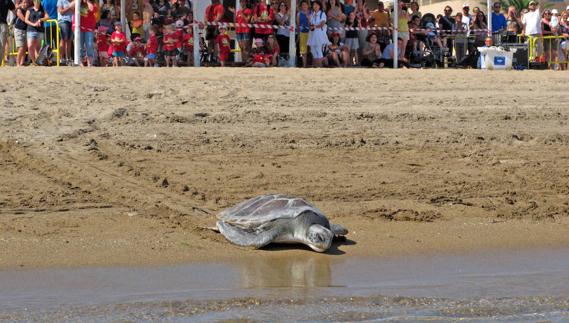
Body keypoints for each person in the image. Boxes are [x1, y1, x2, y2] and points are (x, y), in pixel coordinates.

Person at [69, 0, 97, 66]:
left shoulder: (92, 3)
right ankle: (80, 63)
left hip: (89, 27)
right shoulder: (77, 2)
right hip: (79, 28)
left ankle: (90, 63)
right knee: (79, 46)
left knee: (89, 45)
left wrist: (87, 1)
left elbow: (92, 9)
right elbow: (70, 6)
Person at [25, 0, 49, 65]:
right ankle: (33, 61)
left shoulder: (42, 9)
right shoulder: (29, 10)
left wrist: (40, 19)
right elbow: (26, 20)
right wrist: (33, 24)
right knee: (30, 46)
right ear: (33, 2)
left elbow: (47, 17)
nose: (37, 2)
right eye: (35, 1)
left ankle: (37, 61)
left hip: (40, 31)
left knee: (38, 48)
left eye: (38, 1)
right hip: (31, 30)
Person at [307, 0, 328, 67]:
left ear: (319, 6)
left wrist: (315, 26)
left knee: (319, 51)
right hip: (312, 35)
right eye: (314, 5)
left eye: (317, 5)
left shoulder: (322, 14)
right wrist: (309, 21)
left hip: (319, 35)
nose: (315, 6)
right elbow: (310, 25)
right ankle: (317, 66)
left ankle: (321, 66)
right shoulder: (312, 14)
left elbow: (322, 23)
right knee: (313, 51)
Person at [235, 0, 251, 64]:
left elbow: (247, 20)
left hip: (245, 30)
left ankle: (246, 61)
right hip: (238, 31)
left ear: (245, 2)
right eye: (241, 2)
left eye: (243, 1)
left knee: (245, 47)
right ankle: (243, 61)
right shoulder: (238, 12)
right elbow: (236, 21)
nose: (242, 3)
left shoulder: (248, 10)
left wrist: (242, 14)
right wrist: (234, 13)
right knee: (241, 47)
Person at [57, 0, 73, 64]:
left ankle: (68, 58)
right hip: (63, 21)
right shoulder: (61, 1)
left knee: (69, 40)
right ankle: (61, 58)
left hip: (71, 21)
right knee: (64, 39)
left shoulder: (74, 1)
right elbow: (61, 12)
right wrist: (69, 7)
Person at [13, 0, 28, 66]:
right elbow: (24, 19)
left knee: (24, 48)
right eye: (24, 2)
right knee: (21, 48)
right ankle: (17, 63)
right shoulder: (19, 10)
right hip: (19, 30)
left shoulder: (27, 10)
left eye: (26, 2)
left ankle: (22, 62)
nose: (25, 4)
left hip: (25, 30)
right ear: (21, 3)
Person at [297, 0, 310, 67]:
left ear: (308, 6)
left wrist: (309, 18)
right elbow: (298, 25)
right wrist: (299, 34)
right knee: (303, 50)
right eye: (303, 5)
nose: (304, 6)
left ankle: (313, 64)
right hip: (302, 33)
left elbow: (313, 24)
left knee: (312, 49)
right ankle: (304, 65)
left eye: (305, 4)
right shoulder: (299, 14)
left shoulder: (311, 13)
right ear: (301, 6)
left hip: (311, 34)